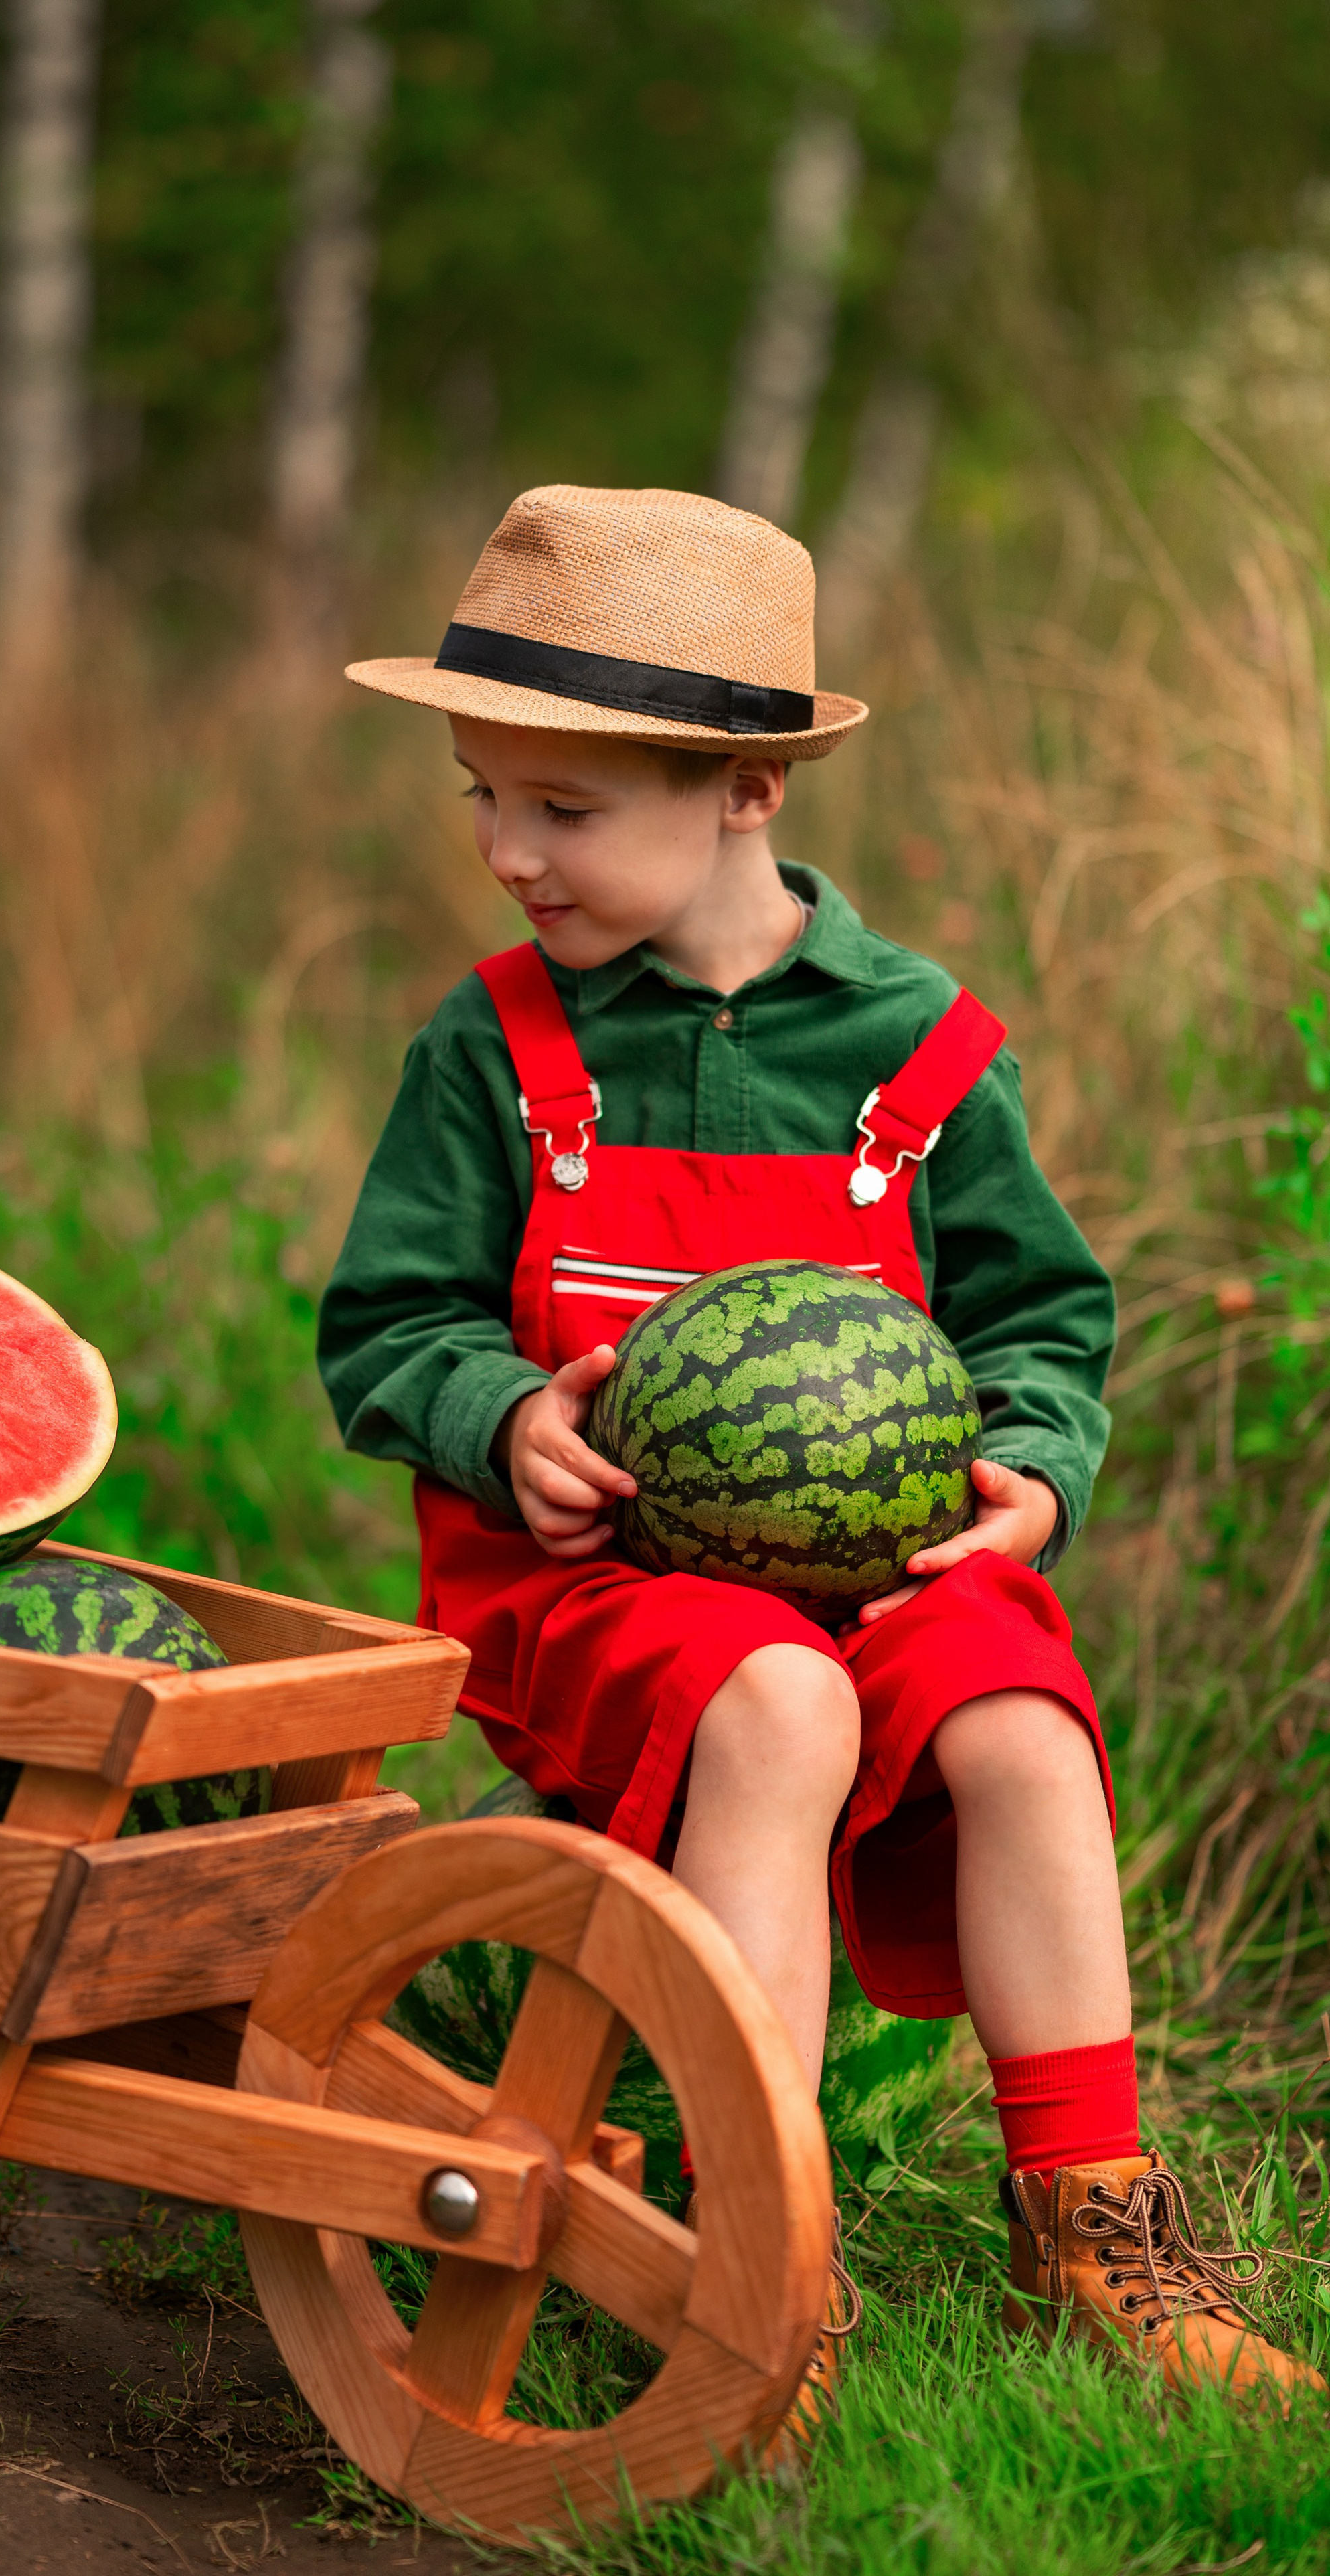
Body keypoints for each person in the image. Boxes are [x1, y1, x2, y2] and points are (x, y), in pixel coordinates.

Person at [317, 483, 1320, 2435]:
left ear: (748, 792)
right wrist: (499, 1416)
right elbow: (389, 1323)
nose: (509, 854)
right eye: (484, 798)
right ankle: (762, 2252)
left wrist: (1033, 1466)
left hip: (877, 1570)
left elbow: (1039, 1321)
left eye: (564, 809)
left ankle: (1092, 2225)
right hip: (599, 1594)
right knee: (778, 1702)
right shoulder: (494, 1047)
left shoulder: (921, 1051)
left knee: (1020, 1714)